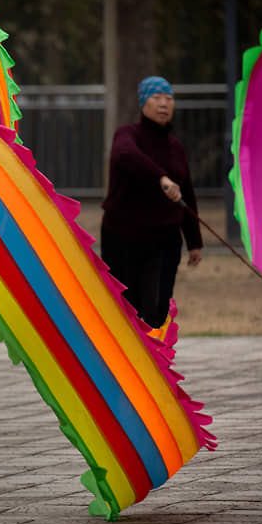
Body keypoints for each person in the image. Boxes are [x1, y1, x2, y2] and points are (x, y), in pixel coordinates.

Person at [100, 76, 202, 332]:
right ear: (143, 103)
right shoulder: (127, 135)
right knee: (125, 307)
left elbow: (186, 193)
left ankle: (151, 362)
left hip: (164, 239)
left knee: (156, 308)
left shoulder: (176, 148)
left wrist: (195, 242)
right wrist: (161, 179)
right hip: (123, 237)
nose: (164, 104)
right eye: (156, 98)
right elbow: (125, 155)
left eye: (169, 98)